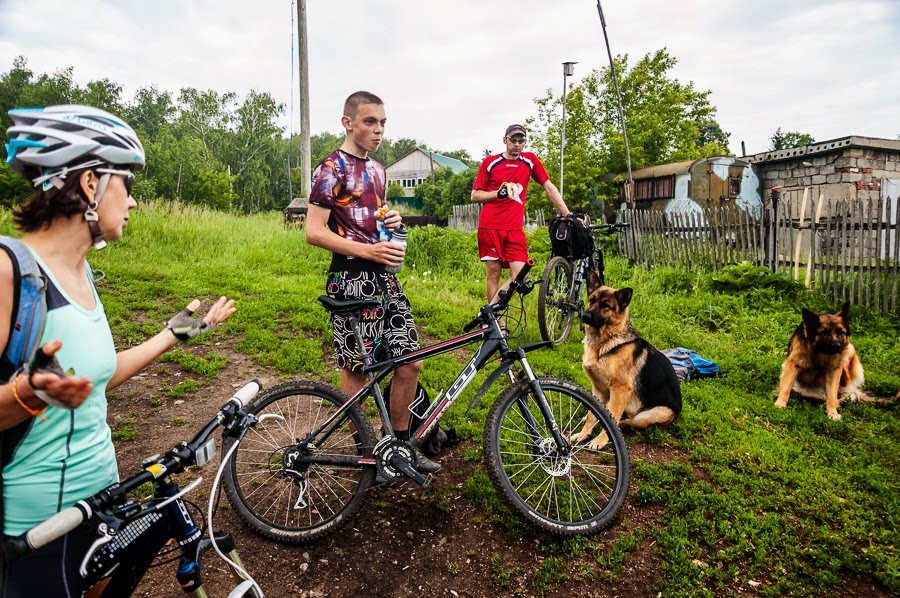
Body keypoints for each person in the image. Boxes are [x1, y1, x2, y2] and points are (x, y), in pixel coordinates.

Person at [0, 105, 236, 597]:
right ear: (91, 184)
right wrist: (29, 393)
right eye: (125, 185)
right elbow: (35, 395)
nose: (132, 203)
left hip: (99, 502)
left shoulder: (82, 272)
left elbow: (95, 381)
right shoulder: (9, 273)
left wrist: (177, 334)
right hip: (32, 531)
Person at [304, 91, 439, 474]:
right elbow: (313, 232)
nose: (378, 130)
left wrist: (391, 220)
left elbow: (371, 218)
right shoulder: (331, 168)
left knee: (409, 362)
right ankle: (366, 451)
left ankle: (398, 449)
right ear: (348, 122)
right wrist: (367, 252)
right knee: (357, 370)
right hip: (349, 280)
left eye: (382, 123)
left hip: (384, 280)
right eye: (369, 122)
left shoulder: (378, 170)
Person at [471, 124, 572, 303]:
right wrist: (498, 193)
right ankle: (497, 324)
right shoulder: (490, 162)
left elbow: (549, 187)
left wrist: (568, 215)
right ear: (505, 140)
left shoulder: (530, 161)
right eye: (513, 140)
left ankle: (489, 313)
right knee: (493, 275)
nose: (517, 144)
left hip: (515, 229)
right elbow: (475, 195)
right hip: (490, 226)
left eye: (521, 140)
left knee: (521, 275)